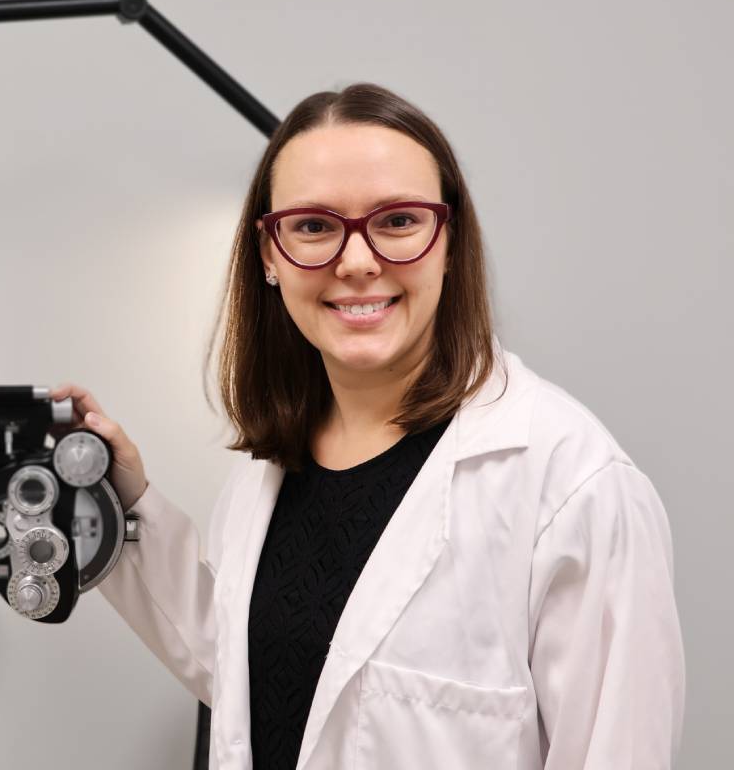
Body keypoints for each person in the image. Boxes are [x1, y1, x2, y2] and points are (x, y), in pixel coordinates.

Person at [50, 83, 684, 769]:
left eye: (398, 221)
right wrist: (123, 501)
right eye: (314, 226)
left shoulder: (571, 485)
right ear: (269, 254)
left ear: (450, 241)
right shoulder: (267, 473)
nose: (357, 262)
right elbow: (249, 674)